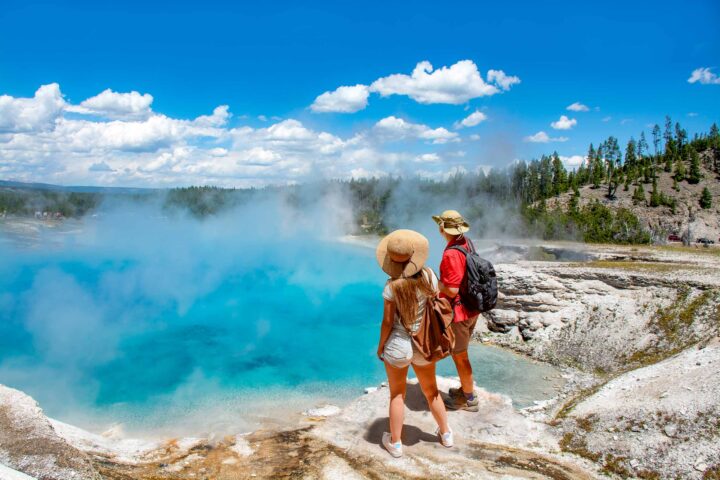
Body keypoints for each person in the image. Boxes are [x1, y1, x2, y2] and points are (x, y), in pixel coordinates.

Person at [375, 229, 454, 458]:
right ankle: (446, 434)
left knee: (397, 395)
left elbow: (387, 322)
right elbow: (436, 299)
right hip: (424, 343)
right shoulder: (428, 276)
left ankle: (396, 444)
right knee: (431, 392)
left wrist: (381, 346)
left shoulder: (392, 286)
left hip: (398, 345)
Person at [432, 210, 480, 412]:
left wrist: (436, 283)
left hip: (459, 313)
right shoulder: (466, 242)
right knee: (462, 353)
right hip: (473, 307)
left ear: (443, 228)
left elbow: (451, 290)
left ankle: (469, 399)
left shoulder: (451, 253)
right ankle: (465, 388)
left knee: (460, 356)